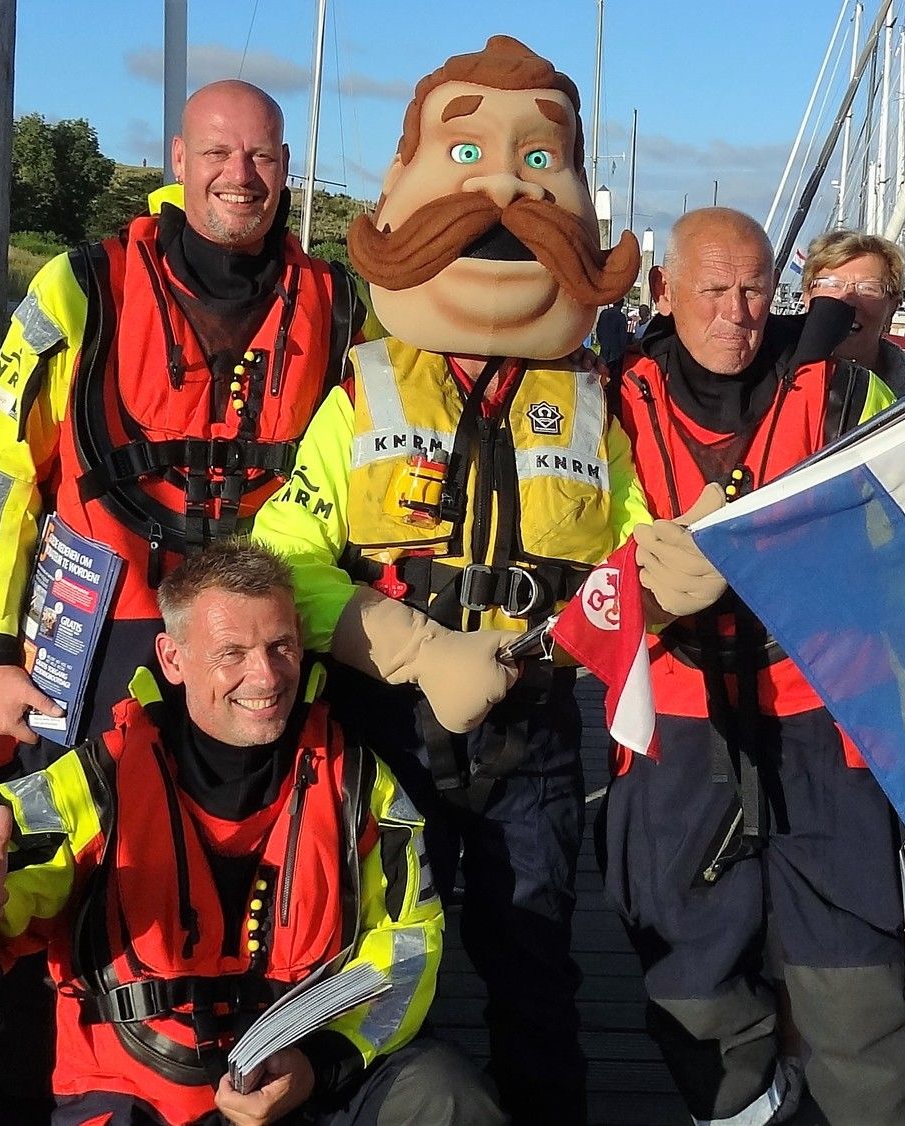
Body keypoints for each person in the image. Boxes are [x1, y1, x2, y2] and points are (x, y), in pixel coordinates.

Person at [251, 36, 670, 1126]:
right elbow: (284, 559)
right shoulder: (360, 395)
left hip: (533, 732)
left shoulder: (595, 408)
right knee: (379, 967)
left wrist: (684, 566)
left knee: (536, 968)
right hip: (386, 731)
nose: (502, 207)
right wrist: (419, 650)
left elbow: (637, 549)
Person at [0, 79, 359, 1120]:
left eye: (261, 156)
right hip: (105, 627)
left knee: (267, 847)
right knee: (59, 854)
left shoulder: (340, 303)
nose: (239, 175)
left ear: (286, 169)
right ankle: (41, 1084)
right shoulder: (81, 286)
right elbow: (0, 469)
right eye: (218, 152)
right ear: (179, 160)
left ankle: (254, 1070)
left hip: (258, 637)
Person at [0, 540, 504, 1126]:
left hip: (304, 1082)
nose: (266, 676)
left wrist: (320, 1066)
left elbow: (408, 945)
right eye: (232, 653)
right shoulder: (93, 784)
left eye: (281, 646)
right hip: (135, 1096)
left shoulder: (362, 786)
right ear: (173, 659)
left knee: (445, 1096)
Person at [607, 207, 905, 1125]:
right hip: (676, 712)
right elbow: (594, 541)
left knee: (858, 980)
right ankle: (746, 1108)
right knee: (689, 973)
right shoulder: (614, 401)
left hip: (824, 708)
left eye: (754, 289)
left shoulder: (842, 392)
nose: (737, 313)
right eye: (712, 289)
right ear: (664, 292)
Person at [801, 228, 905, 398]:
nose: (847, 299)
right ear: (807, 297)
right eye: (832, 284)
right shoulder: (771, 374)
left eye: (868, 288)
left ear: (892, 308)